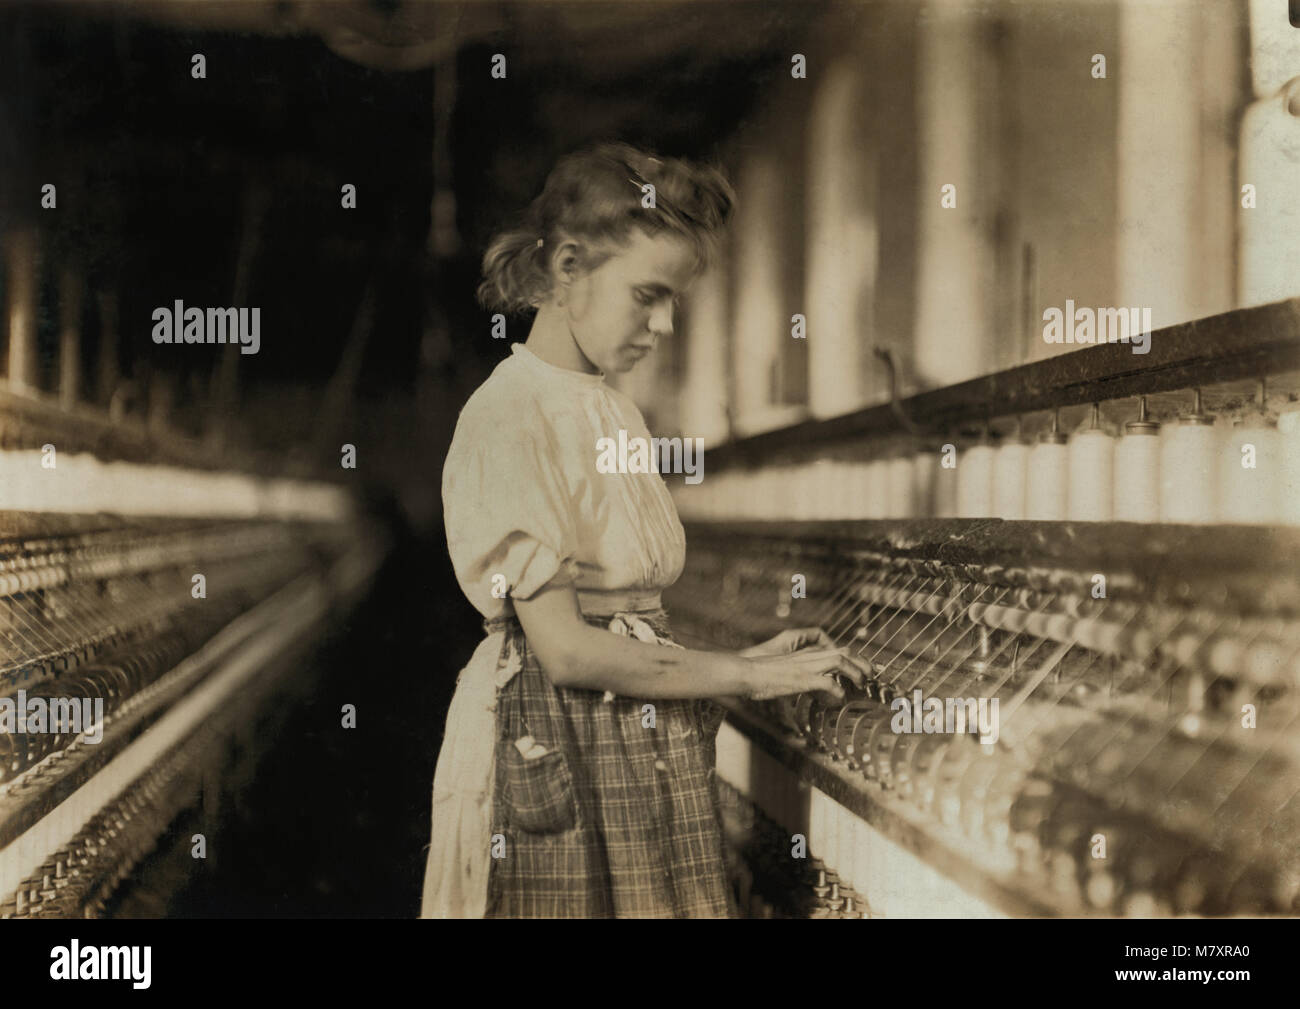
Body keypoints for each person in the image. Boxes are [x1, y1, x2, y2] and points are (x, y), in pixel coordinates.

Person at [421, 141, 866, 918]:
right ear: (567, 267)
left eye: (675, 302)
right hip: (558, 744)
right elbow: (567, 648)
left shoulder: (610, 406)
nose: (663, 325)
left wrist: (741, 657)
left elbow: (622, 612)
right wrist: (751, 678)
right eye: (647, 295)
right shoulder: (509, 416)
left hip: (632, 743)